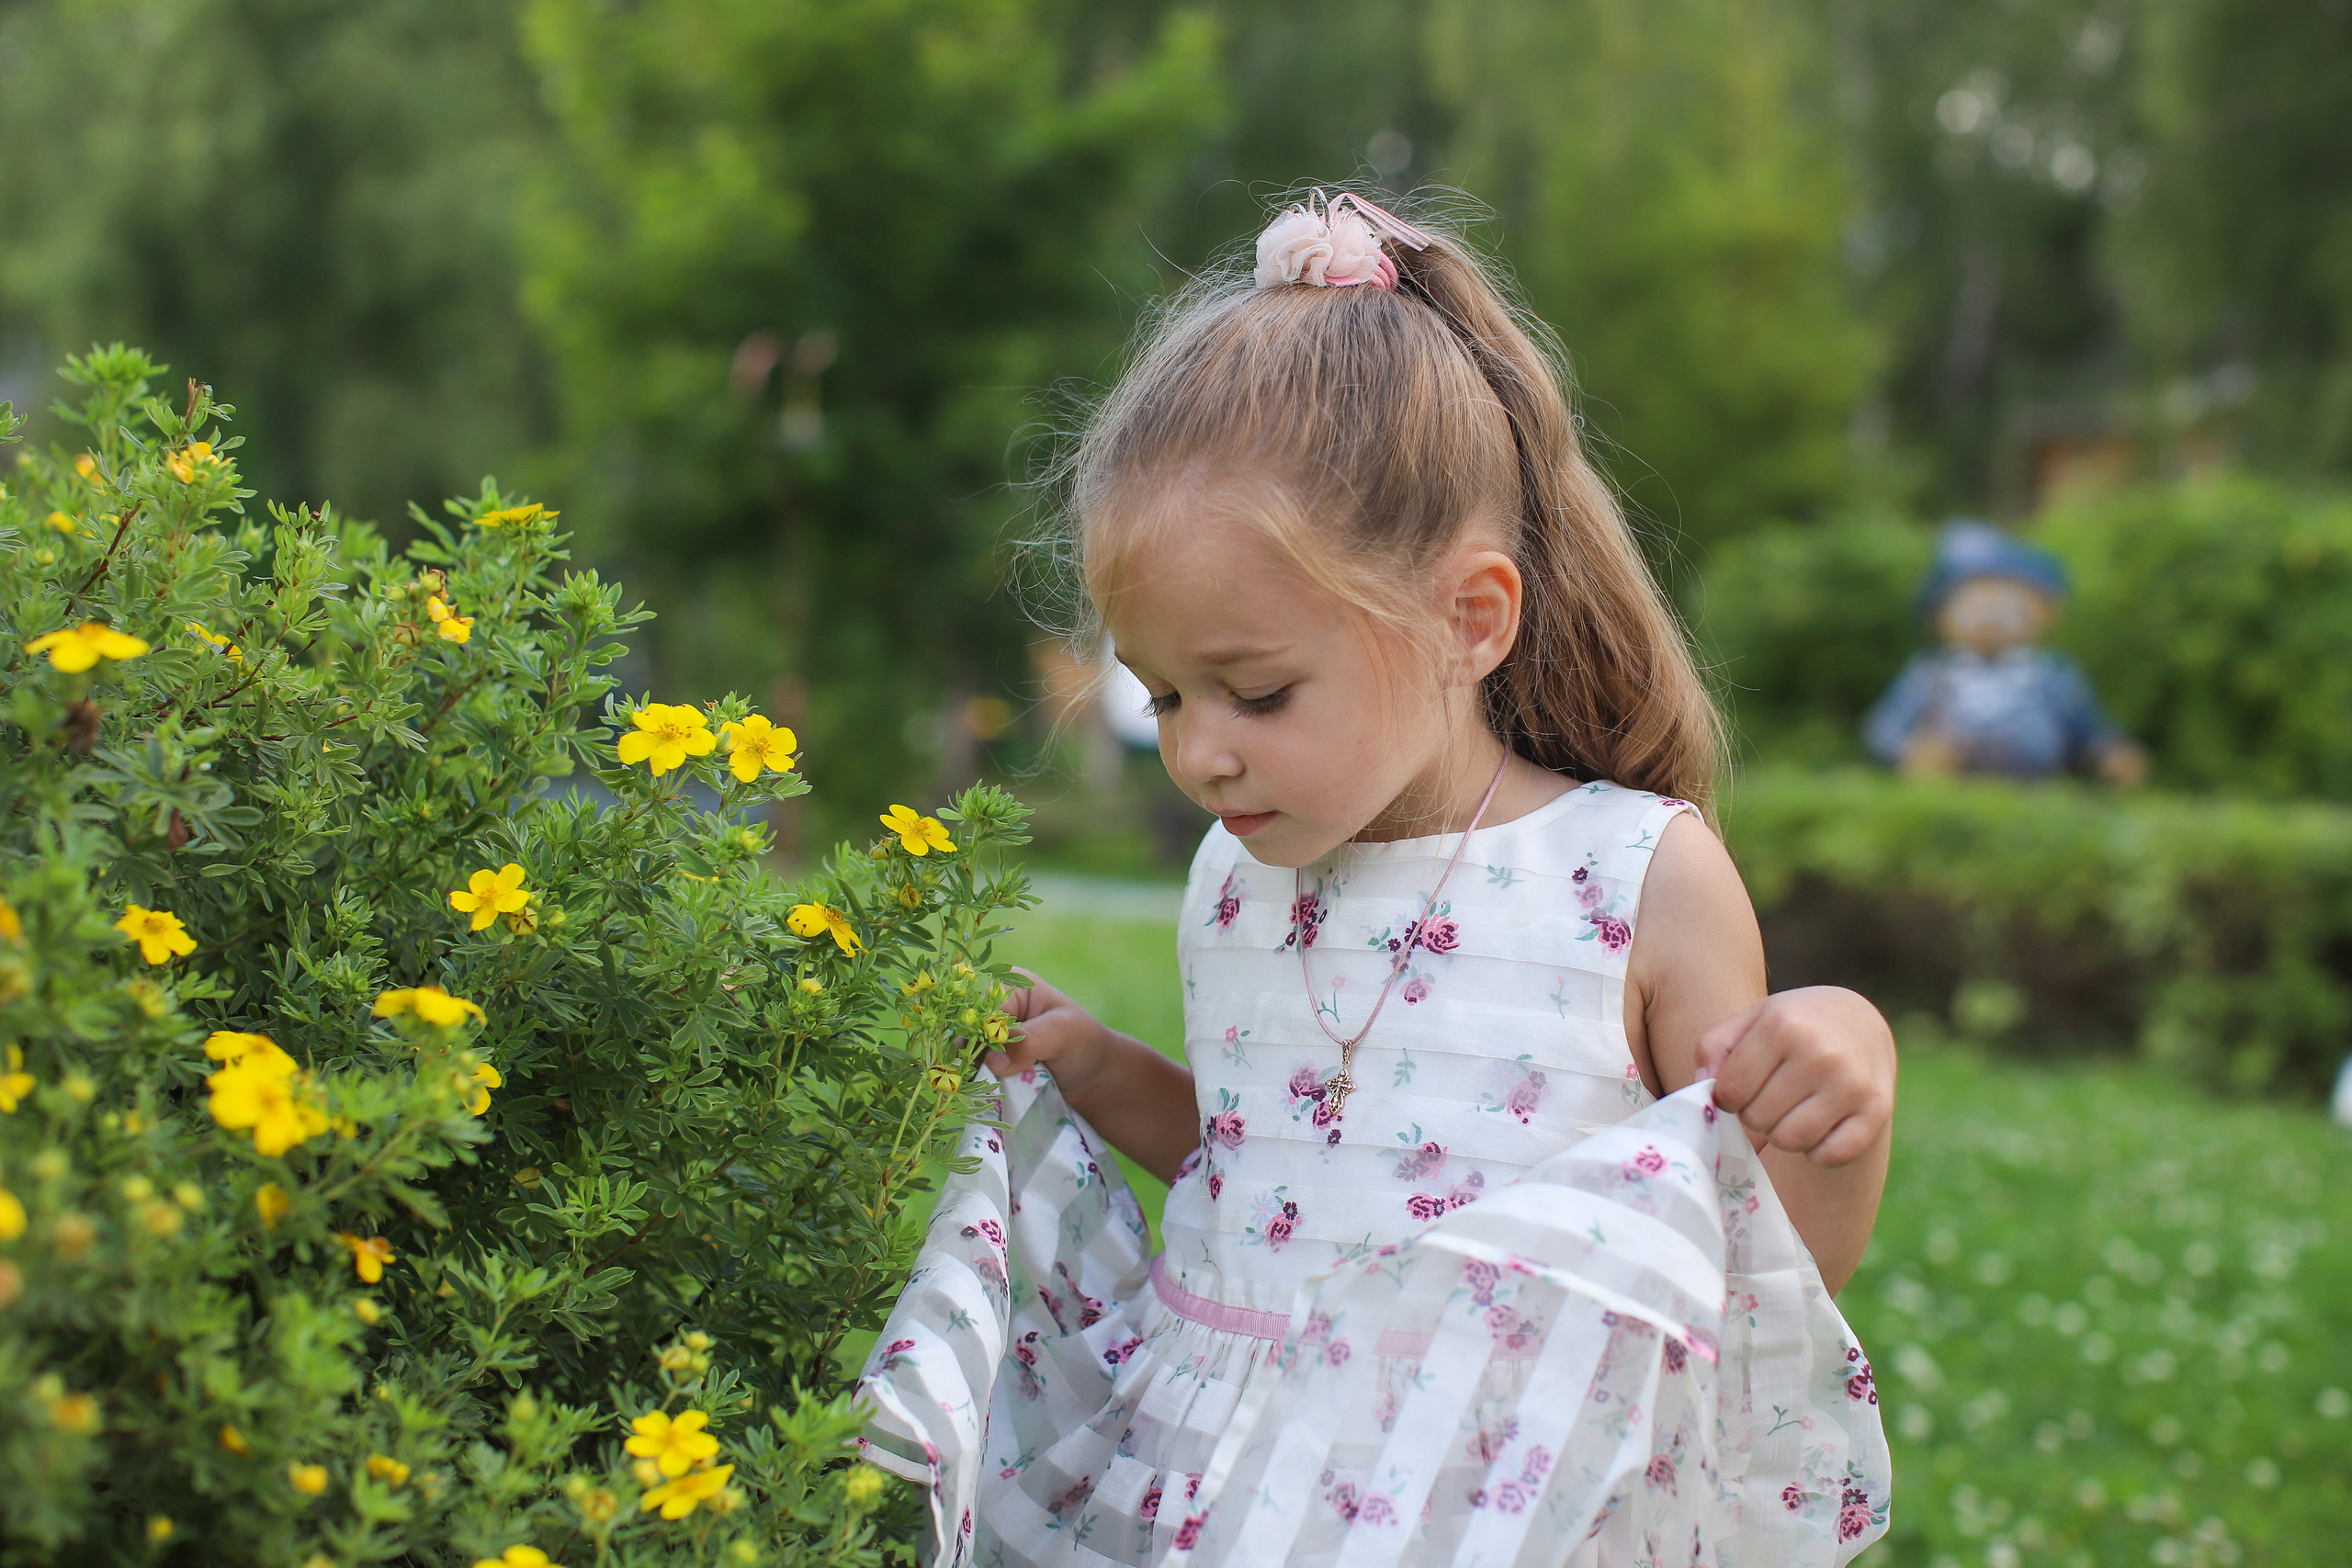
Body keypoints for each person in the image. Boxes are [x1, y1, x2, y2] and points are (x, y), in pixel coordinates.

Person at [861, 191, 1896, 1566]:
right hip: (1237, 1490)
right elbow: (1267, 1183)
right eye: (1164, 697)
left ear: (1468, 619)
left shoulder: (1630, 875)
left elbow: (1756, 1271)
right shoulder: (1234, 884)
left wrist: (1844, 1083)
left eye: (1257, 691)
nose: (1204, 757)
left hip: (1503, 1503)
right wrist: (1098, 1069)